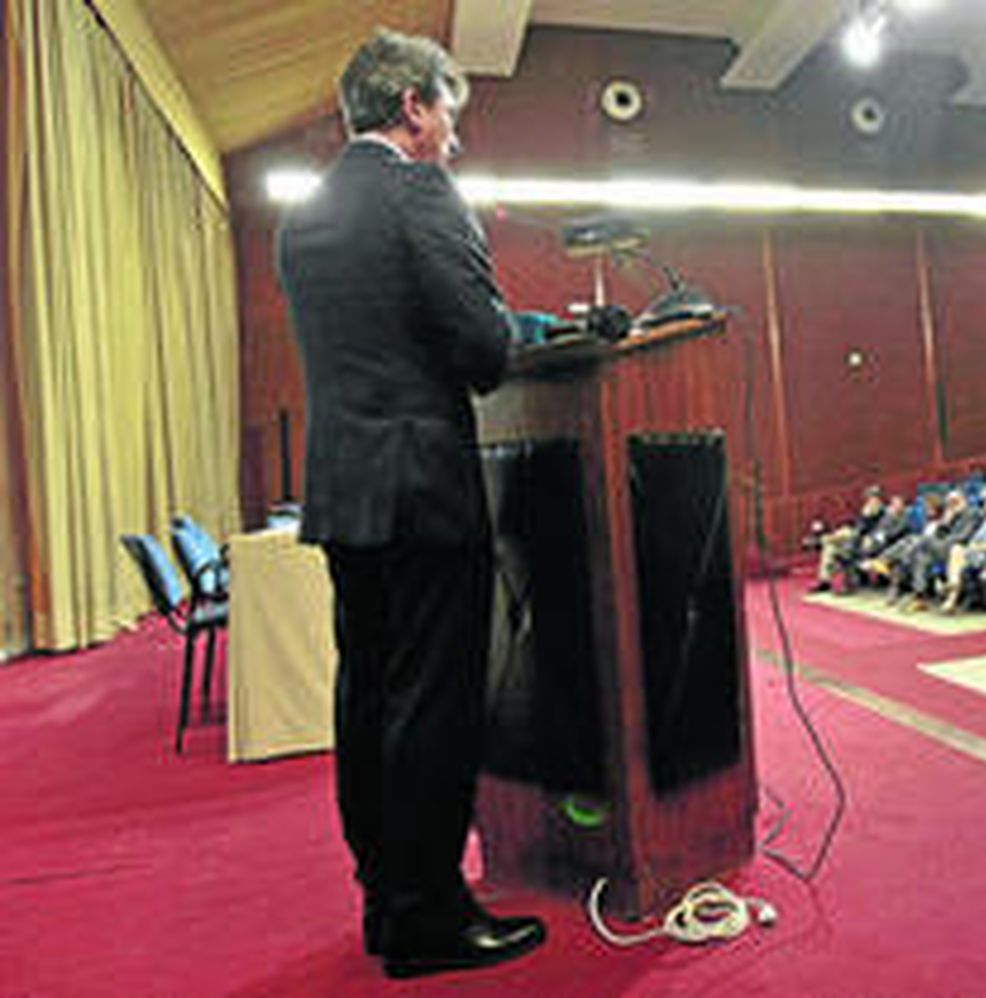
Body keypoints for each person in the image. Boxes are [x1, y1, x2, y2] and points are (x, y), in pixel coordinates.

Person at [276, 30, 545, 977]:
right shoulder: (420, 191)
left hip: (346, 492)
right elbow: (481, 351)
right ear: (414, 108)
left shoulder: (302, 216)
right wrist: (516, 323)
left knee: (368, 695)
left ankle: (387, 901)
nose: (453, 138)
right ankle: (432, 916)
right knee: (433, 704)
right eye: (449, 115)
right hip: (424, 488)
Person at [812, 486, 884, 593]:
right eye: (869, 498)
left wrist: (870, 537)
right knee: (830, 547)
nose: (871, 501)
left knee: (847, 543)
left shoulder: (884, 513)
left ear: (879, 499)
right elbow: (859, 527)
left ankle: (848, 580)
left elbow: (883, 532)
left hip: (870, 541)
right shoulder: (865, 511)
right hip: (856, 537)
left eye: (873, 498)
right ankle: (824, 580)